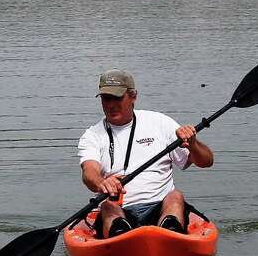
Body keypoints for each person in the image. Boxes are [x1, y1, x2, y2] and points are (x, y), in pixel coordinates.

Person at [77, 69, 213, 238]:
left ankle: (170, 232)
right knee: (107, 206)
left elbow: (206, 161)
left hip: (161, 206)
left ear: (133, 96)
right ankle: (120, 234)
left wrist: (193, 144)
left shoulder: (160, 123)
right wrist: (101, 183)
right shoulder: (92, 135)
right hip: (118, 209)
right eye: (106, 98)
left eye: (117, 98)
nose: (111, 105)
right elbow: (89, 172)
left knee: (175, 196)